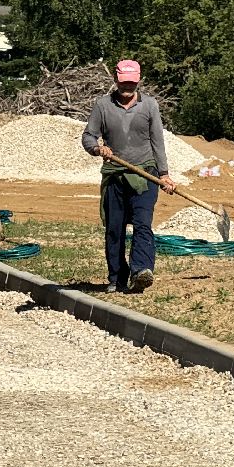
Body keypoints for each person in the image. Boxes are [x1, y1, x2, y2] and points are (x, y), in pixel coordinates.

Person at [81, 59, 175, 293]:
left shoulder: (149, 105)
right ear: (116, 79)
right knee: (115, 229)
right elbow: (88, 136)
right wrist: (97, 148)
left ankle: (141, 270)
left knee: (143, 224)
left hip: (146, 174)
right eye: (124, 82)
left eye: (132, 83)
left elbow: (157, 141)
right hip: (116, 176)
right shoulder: (103, 105)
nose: (127, 87)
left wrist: (164, 174)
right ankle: (117, 277)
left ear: (138, 81)